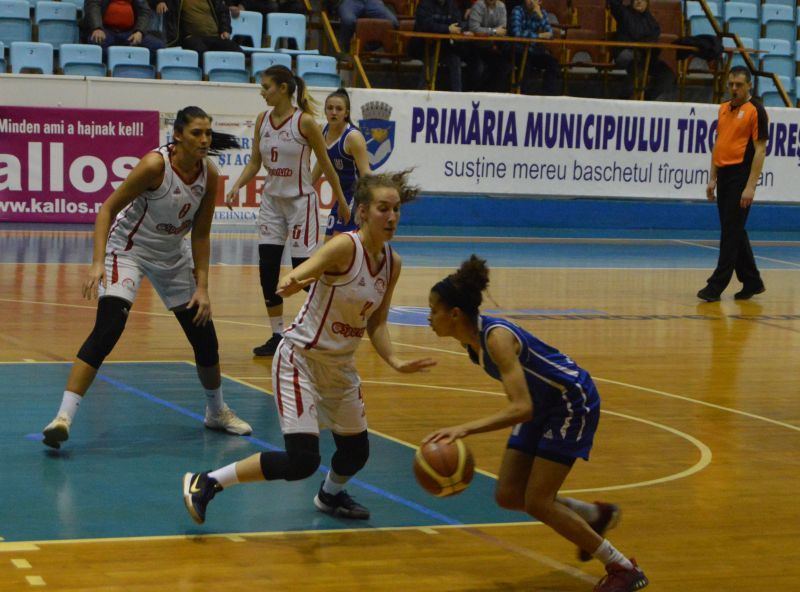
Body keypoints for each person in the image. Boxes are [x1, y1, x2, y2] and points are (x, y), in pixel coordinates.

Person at [182, 171, 437, 524]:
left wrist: (395, 360)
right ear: (362, 211)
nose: (392, 217)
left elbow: (376, 322)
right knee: (302, 461)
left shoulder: (392, 263)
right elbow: (308, 269)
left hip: (341, 366)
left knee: (356, 453)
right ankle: (208, 481)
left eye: (396, 209)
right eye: (383, 209)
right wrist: (292, 280)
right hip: (300, 359)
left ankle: (329, 496)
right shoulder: (345, 246)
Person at [424, 255, 649, 592]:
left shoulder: (496, 339)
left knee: (539, 501)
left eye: (433, 310)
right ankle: (594, 516)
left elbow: (522, 407)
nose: (429, 317)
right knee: (509, 494)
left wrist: (465, 428)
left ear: (455, 314)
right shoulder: (471, 342)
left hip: (571, 402)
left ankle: (622, 567)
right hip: (543, 404)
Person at [40, 107, 253, 450]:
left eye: (208, 134)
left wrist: (203, 287)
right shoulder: (156, 165)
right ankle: (63, 418)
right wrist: (97, 263)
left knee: (205, 338)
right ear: (179, 135)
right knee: (108, 329)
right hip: (128, 250)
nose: (204, 140)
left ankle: (216, 412)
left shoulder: (209, 174)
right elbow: (107, 208)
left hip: (172, 256)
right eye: (197, 133)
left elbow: (200, 235)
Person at [224, 65, 350, 357]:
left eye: (266, 87)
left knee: (301, 272)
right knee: (267, 270)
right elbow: (255, 162)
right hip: (271, 203)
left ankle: (336, 314)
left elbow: (326, 164)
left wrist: (342, 201)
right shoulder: (261, 120)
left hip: (300, 203)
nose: (262, 92)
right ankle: (277, 334)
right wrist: (236, 186)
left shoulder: (304, 123)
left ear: (283, 89)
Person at [697, 66, 768, 302]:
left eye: (739, 84)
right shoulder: (723, 109)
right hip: (725, 176)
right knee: (735, 229)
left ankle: (716, 285)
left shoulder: (756, 110)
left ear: (749, 85)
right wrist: (713, 177)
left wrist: (751, 186)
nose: (734, 89)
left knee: (730, 232)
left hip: (741, 175)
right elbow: (719, 143)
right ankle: (752, 281)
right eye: (731, 85)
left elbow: (760, 151)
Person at [311, 88, 371, 242]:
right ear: (325, 110)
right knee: (330, 243)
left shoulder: (353, 137)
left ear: (346, 113)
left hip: (355, 196)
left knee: (334, 245)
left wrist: (368, 202)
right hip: (341, 196)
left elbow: (366, 174)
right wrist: (307, 186)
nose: (334, 112)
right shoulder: (321, 131)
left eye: (339, 109)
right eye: (330, 108)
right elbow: (322, 162)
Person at [608, 0, 673, 100]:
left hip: (646, 56)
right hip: (625, 52)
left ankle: (647, 100)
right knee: (638, 69)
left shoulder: (652, 22)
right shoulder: (623, 12)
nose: (638, 2)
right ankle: (621, 101)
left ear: (647, 3)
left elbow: (653, 40)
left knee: (666, 73)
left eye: (642, 0)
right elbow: (614, 3)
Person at [411, 0, 471, 92]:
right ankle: (422, 92)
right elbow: (426, 25)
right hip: (424, 45)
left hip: (445, 46)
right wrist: (447, 28)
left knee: (455, 60)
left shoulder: (451, 5)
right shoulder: (425, 4)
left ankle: (458, 95)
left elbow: (457, 24)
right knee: (431, 59)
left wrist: (460, 30)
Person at [82, 0, 166, 60]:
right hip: (106, 31)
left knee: (158, 46)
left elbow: (144, 11)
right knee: (95, 42)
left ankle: (136, 68)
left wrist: (139, 31)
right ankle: (114, 67)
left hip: (130, 33)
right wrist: (97, 28)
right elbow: (93, 6)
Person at [156, 0, 243, 56]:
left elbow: (223, 11)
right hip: (191, 37)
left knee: (237, 50)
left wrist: (225, 29)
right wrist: (160, 2)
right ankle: (205, 79)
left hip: (215, 36)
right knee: (202, 51)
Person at [509, 0, 560, 95]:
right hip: (517, 51)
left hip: (534, 51)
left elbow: (550, 34)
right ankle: (523, 96)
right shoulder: (517, 11)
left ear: (539, 2)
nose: (531, 1)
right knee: (526, 64)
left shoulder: (542, 13)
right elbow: (517, 33)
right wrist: (538, 36)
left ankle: (548, 96)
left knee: (552, 63)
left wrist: (540, 16)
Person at [466, 0, 510, 93]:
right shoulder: (478, 5)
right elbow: (474, 28)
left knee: (503, 67)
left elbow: (502, 30)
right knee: (478, 68)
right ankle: (473, 94)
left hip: (491, 46)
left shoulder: (501, 6)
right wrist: (493, 31)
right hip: (475, 45)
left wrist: (487, 32)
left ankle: (491, 95)